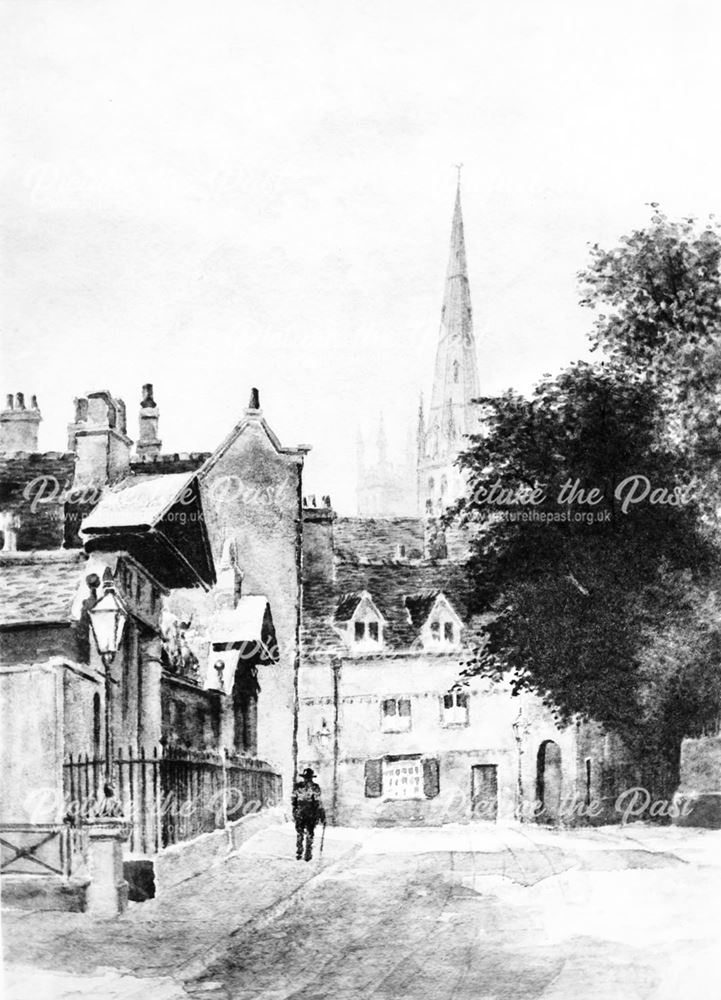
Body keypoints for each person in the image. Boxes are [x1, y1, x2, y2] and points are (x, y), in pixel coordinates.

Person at [292, 767, 326, 861]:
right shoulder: (315, 787)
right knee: (307, 833)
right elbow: (318, 802)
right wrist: (321, 814)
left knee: (302, 833)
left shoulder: (298, 787)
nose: (307, 779)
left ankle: (302, 852)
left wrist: (295, 811)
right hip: (309, 813)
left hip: (302, 813)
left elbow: (294, 800)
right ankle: (305, 852)